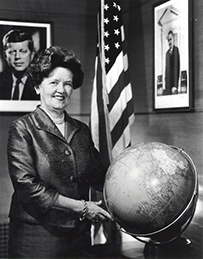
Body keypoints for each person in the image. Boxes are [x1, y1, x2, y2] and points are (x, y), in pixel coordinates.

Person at [7, 46, 113, 258]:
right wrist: (82, 207)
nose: (61, 90)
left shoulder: (81, 130)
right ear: (38, 86)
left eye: (68, 84)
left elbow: (99, 176)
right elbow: (27, 187)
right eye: (54, 82)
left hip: (79, 236)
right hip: (36, 237)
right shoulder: (22, 129)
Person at [0, 29, 39, 100]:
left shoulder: (40, 83)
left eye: (23, 51)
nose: (17, 56)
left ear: (32, 55)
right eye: (12, 52)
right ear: (5, 56)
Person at [164, 30, 180, 95]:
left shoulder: (176, 50)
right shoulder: (167, 53)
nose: (169, 41)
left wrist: (175, 86)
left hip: (174, 85)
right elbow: (166, 70)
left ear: (173, 39)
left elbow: (177, 68)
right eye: (168, 40)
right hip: (168, 85)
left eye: (170, 39)